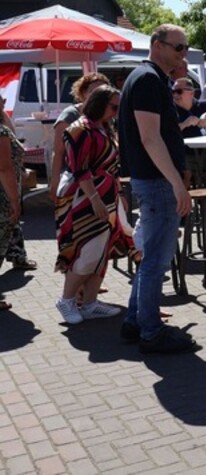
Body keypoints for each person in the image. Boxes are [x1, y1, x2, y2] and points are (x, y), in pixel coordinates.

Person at [118, 24, 195, 354]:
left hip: (152, 180)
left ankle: (136, 320)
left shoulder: (149, 78)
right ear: (158, 45)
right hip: (157, 182)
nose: (183, 54)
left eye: (185, 47)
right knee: (156, 261)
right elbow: (150, 138)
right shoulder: (148, 79)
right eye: (178, 47)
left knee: (152, 257)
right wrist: (177, 184)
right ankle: (150, 331)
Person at [54, 86, 132, 324]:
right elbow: (80, 169)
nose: (117, 112)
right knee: (86, 251)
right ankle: (67, 300)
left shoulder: (103, 127)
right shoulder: (80, 129)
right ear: (99, 104)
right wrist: (95, 199)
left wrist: (118, 194)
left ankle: (90, 303)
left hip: (106, 195)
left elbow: (111, 167)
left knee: (101, 251)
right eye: (114, 107)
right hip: (84, 197)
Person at [49, 73, 111, 204]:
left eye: (102, 92)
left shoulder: (107, 117)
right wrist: (54, 183)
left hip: (101, 180)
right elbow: (58, 152)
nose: (98, 96)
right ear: (83, 93)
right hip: (74, 179)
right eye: (93, 91)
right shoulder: (70, 116)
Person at [0, 97, 35, 273]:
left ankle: (17, 255)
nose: (4, 102)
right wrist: (14, 200)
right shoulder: (1, 133)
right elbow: (4, 168)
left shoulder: (3, 129)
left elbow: (11, 133)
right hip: (4, 193)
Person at [173, 77, 206, 188]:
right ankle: (187, 198)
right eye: (173, 91)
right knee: (184, 173)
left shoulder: (202, 106)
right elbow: (168, 131)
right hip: (183, 154)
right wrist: (184, 124)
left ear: (191, 93)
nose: (175, 95)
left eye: (179, 91)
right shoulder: (171, 110)